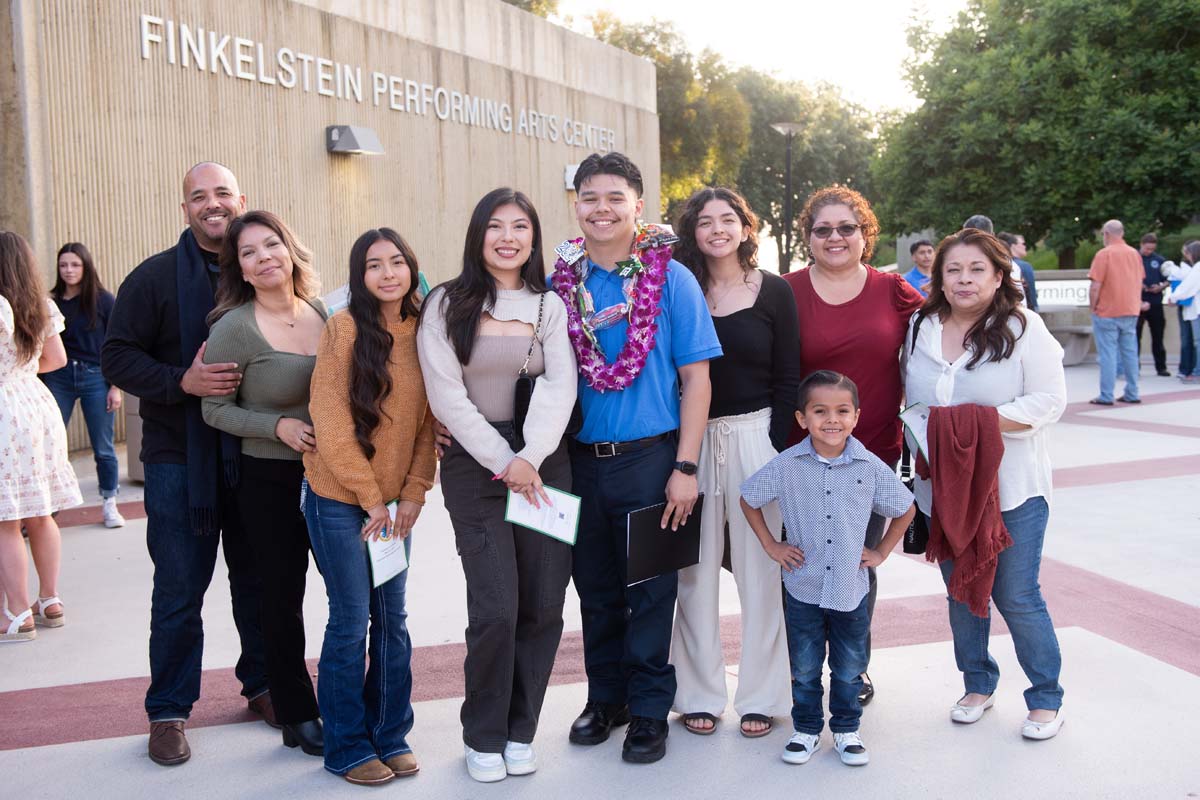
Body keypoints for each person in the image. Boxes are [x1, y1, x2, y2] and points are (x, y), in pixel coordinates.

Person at [554, 152, 722, 765]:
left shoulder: (671, 279)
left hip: (652, 460)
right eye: (589, 197)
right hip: (577, 464)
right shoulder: (560, 285)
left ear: (637, 206)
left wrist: (686, 468)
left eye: (614, 197)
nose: (601, 208)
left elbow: (697, 381)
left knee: (652, 591)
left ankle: (650, 710)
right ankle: (607, 699)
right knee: (593, 588)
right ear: (576, 205)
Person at [102, 162, 271, 766]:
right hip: (180, 463)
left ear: (241, 199)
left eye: (222, 193)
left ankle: (264, 686)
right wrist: (183, 381)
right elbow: (116, 356)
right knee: (179, 589)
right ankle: (169, 710)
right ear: (186, 211)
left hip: (255, 454)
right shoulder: (151, 279)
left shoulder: (263, 271)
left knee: (259, 580)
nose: (212, 204)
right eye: (199, 197)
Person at [418, 188, 578, 782]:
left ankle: (520, 730)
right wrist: (503, 459)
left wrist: (531, 456)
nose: (507, 237)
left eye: (520, 227)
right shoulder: (445, 304)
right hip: (473, 463)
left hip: (546, 465)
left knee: (542, 603)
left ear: (534, 239)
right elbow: (446, 395)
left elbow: (560, 386)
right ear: (477, 234)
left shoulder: (549, 306)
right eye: (495, 226)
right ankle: (482, 734)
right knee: (496, 607)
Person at [904, 227, 1068, 740]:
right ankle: (977, 683)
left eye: (977, 269)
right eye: (953, 270)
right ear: (939, 278)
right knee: (960, 590)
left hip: (1012, 489)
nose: (964, 279)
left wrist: (971, 428)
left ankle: (1045, 696)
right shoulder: (920, 326)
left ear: (999, 276)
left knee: (1017, 594)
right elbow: (906, 400)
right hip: (944, 490)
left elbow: (1048, 402)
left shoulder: (1025, 328)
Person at [303, 227, 435, 786]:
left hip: (393, 508)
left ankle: (391, 734)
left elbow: (430, 422)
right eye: (374, 265)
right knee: (351, 620)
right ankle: (347, 745)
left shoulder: (426, 330)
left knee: (394, 620)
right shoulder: (344, 328)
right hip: (338, 498)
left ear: (411, 268)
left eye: (397, 262)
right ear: (359, 275)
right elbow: (329, 424)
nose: (387, 273)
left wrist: (412, 493)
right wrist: (371, 499)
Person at [782, 185, 924, 706]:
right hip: (800, 456)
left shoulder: (894, 292)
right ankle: (799, 672)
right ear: (808, 237)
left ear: (866, 234)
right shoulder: (786, 292)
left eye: (847, 228)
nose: (836, 237)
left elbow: (955, 318)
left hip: (871, 456)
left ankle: (852, 668)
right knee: (800, 565)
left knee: (854, 564)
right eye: (823, 229)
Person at [668, 186, 798, 738]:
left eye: (728, 219)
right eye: (704, 221)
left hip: (755, 437)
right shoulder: (678, 286)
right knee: (692, 570)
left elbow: (788, 375)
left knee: (762, 570)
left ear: (746, 227)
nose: (717, 229)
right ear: (692, 232)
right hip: (691, 441)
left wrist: (774, 449)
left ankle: (763, 695)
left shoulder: (774, 292)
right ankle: (697, 692)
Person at [740, 371, 914, 767]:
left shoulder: (868, 465)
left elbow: (905, 508)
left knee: (849, 668)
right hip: (803, 587)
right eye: (820, 411)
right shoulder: (787, 465)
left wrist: (882, 551)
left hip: (850, 591)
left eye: (841, 411)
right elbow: (749, 498)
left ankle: (846, 730)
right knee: (804, 667)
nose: (831, 420)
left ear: (855, 417)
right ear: (802, 418)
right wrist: (772, 544)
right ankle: (806, 731)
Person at [201, 211, 327, 755]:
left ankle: (347, 695)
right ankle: (297, 712)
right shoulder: (232, 327)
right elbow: (213, 408)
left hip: (331, 473)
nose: (264, 257)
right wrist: (275, 424)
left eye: (271, 244)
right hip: (268, 478)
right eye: (249, 253)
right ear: (242, 270)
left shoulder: (322, 313)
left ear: (290, 249)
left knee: (353, 592)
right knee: (282, 595)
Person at [0, 232, 82, 642]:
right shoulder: (41, 305)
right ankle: (49, 599)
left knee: (5, 521)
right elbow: (57, 359)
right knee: (42, 511)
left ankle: (15, 613)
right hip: (38, 406)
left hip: (3, 411)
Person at [42, 243, 125, 527]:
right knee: (50, 444)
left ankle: (109, 504)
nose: (69, 270)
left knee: (103, 447)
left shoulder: (102, 300)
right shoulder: (50, 302)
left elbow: (117, 344)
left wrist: (116, 386)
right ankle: (46, 509)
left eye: (75, 265)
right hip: (58, 377)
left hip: (95, 377)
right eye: (63, 265)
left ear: (86, 266)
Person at [1087, 220, 1144, 405]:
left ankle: (1106, 395)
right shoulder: (1134, 254)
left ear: (1107, 234)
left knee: (1108, 354)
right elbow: (1139, 281)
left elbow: (1096, 285)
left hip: (1107, 311)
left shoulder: (1104, 254)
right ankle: (1133, 392)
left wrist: (1093, 306)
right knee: (1130, 352)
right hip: (1130, 310)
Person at [1134, 233, 1170, 376]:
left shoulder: (1159, 260)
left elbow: (1169, 279)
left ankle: (1161, 367)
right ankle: (1135, 367)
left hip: (1155, 302)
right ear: (1142, 244)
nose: (1149, 251)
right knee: (1135, 337)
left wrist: (1161, 287)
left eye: (1152, 249)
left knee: (1158, 336)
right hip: (1137, 302)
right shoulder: (1134, 258)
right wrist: (1139, 285)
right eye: (1147, 248)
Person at [1165, 241, 1200, 383]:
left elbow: (1187, 287)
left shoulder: (1198, 268)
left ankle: (1198, 373)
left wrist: (1173, 297)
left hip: (1197, 311)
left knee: (1198, 342)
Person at [997, 232, 1039, 312]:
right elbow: (1031, 294)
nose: (1025, 246)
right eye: (1023, 243)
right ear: (1013, 245)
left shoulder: (997, 264)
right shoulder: (1023, 266)